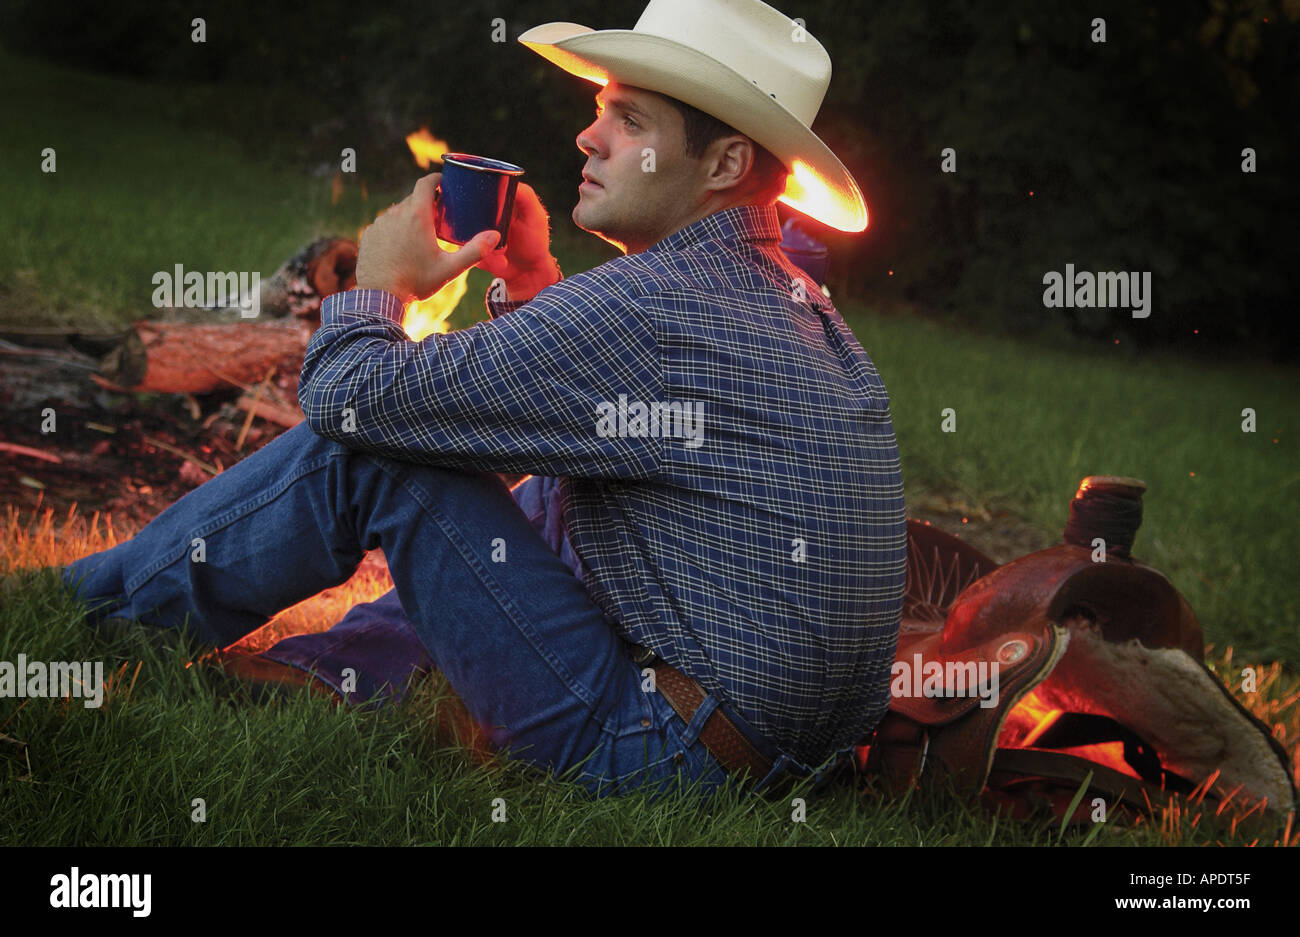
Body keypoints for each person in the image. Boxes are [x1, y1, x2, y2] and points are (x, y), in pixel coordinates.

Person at [63, 0, 907, 799]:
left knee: (377, 456)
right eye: (603, 111)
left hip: (664, 749)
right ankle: (330, 665)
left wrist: (378, 285)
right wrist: (538, 291)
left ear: (724, 164)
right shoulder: (792, 302)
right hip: (792, 759)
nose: (589, 135)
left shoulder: (654, 305)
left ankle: (85, 620)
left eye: (632, 123)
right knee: (542, 484)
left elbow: (348, 403)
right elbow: (551, 434)